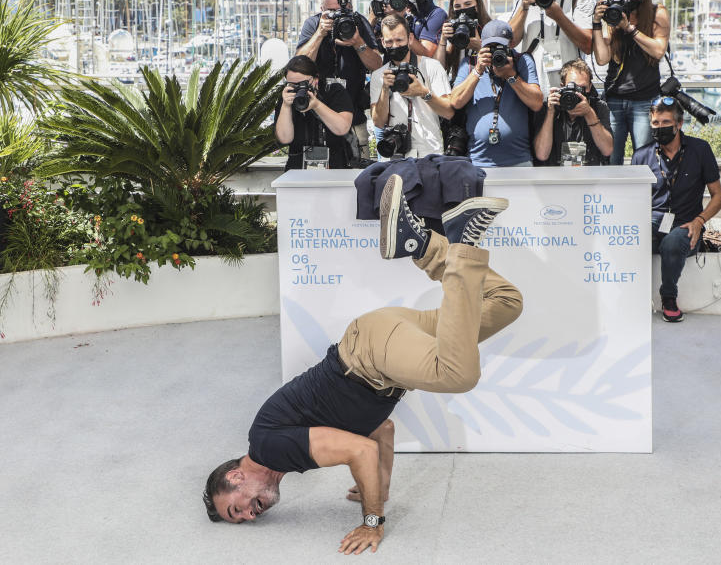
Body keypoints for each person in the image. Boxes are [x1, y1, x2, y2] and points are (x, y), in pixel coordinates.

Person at [202, 174, 522, 556]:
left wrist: (373, 520)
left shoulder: (269, 449)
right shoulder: (275, 447)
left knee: (457, 373)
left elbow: (361, 452)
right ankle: (423, 245)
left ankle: (460, 245)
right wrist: (380, 487)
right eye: (243, 519)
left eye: (236, 508)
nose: (250, 515)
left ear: (236, 477)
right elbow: (379, 432)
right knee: (505, 301)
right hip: (380, 340)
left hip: (371, 357)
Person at [630, 97, 721, 323]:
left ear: (679, 124)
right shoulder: (641, 155)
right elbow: (633, 200)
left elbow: (719, 197)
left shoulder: (700, 150)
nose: (660, 127)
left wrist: (699, 221)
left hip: (687, 223)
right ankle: (630, 296)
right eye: (655, 123)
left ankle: (668, 296)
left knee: (672, 242)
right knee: (630, 238)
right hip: (654, 221)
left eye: (665, 122)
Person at [592, 0, 671, 164]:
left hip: (644, 100)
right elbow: (602, 59)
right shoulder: (613, 13)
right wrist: (596, 24)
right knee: (610, 160)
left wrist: (629, 28)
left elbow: (658, 50)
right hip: (614, 99)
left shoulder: (657, 13)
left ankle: (644, 197)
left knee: (644, 161)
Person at [296, 0, 383, 161]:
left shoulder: (358, 23)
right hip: (317, 119)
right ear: (322, 10)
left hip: (354, 118)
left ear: (350, 7)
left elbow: (377, 65)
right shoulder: (313, 25)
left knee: (359, 174)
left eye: (343, 10)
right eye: (332, 12)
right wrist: (320, 34)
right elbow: (299, 65)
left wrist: (358, 42)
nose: (338, 17)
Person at [450, 20, 543, 167]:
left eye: (499, 47)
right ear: (481, 45)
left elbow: (537, 103)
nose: (495, 53)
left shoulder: (522, 61)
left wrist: (511, 76)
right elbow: (455, 101)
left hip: (519, 161)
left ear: (511, 44)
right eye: (489, 47)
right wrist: (478, 71)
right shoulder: (470, 64)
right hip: (478, 161)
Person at [508, 0, 596, 95]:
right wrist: (524, 8)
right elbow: (511, 41)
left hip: (571, 88)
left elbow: (587, 45)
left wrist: (559, 16)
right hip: (534, 89)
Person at [370, 15, 454, 158]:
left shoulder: (431, 67)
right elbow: (378, 122)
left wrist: (423, 93)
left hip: (429, 152)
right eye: (389, 41)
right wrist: (385, 89)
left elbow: (448, 112)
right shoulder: (379, 75)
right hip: (395, 153)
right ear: (383, 42)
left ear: (409, 39)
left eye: (399, 40)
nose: (395, 46)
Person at [275, 55, 354, 170]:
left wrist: (317, 105)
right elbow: (284, 138)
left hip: (335, 167)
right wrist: (286, 106)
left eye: (302, 84)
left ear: (315, 79)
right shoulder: (286, 98)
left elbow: (342, 128)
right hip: (298, 169)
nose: (298, 89)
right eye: (292, 85)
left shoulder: (334, 91)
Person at [534, 59, 613, 166]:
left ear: (590, 86)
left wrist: (589, 113)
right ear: (562, 86)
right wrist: (550, 113)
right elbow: (541, 155)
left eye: (582, 88)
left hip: (589, 174)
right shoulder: (549, 107)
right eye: (572, 87)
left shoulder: (598, 107)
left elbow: (607, 150)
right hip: (556, 176)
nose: (576, 93)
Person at [436, 0, 492, 83]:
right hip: (460, 88)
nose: (463, 10)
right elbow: (438, 70)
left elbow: (499, 69)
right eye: (457, 6)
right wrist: (443, 40)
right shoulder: (455, 30)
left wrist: (480, 47)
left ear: (478, 6)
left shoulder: (491, 29)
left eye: (468, 4)